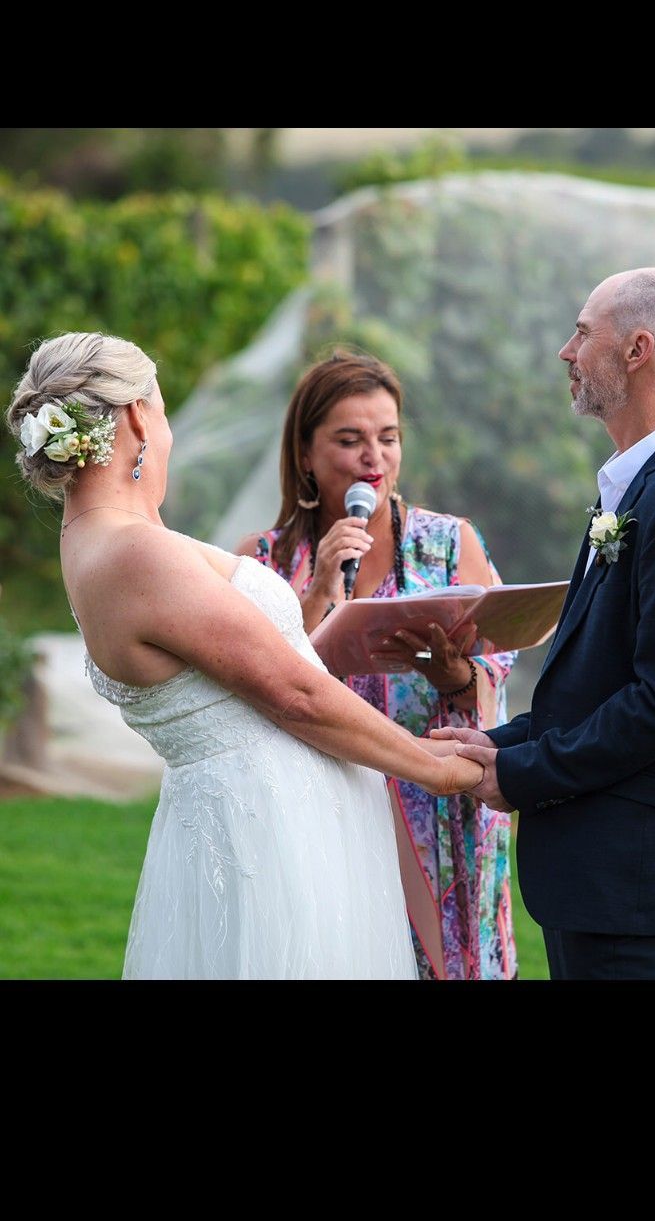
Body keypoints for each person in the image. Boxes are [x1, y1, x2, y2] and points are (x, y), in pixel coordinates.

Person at [6, 332, 483, 981]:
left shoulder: (100, 541)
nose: (169, 431)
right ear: (139, 417)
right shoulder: (135, 553)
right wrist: (439, 770)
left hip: (249, 824)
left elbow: (257, 640)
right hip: (275, 841)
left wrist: (315, 596)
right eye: (165, 409)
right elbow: (296, 694)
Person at [435, 267, 655, 981]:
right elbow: (596, 686)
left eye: (582, 332)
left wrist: (521, 773)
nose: (565, 352)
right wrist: (495, 741)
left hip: (627, 866)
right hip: (600, 869)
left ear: (637, 350)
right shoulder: (640, 486)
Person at [237, 353, 518, 981]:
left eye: (388, 438)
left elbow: (497, 669)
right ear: (306, 454)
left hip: (435, 810)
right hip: (318, 815)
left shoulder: (449, 544)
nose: (375, 458)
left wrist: (455, 675)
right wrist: (315, 597)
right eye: (350, 440)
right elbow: (254, 684)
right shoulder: (260, 561)